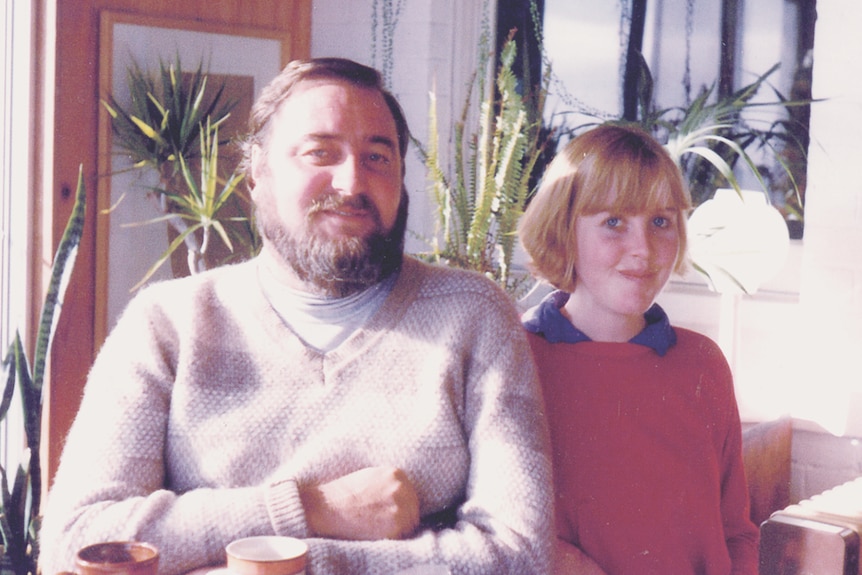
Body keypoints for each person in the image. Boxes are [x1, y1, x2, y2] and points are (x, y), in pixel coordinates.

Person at [40, 58, 553, 575]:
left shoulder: (474, 315)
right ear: (255, 176)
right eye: (319, 153)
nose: (352, 181)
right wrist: (310, 509)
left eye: (378, 157)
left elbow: (518, 554)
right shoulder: (167, 324)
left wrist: (281, 565)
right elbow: (77, 541)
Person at [518, 123, 759, 575]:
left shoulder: (703, 364)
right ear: (563, 229)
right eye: (614, 222)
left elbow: (736, 532)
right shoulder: (517, 360)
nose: (643, 249)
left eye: (660, 222)